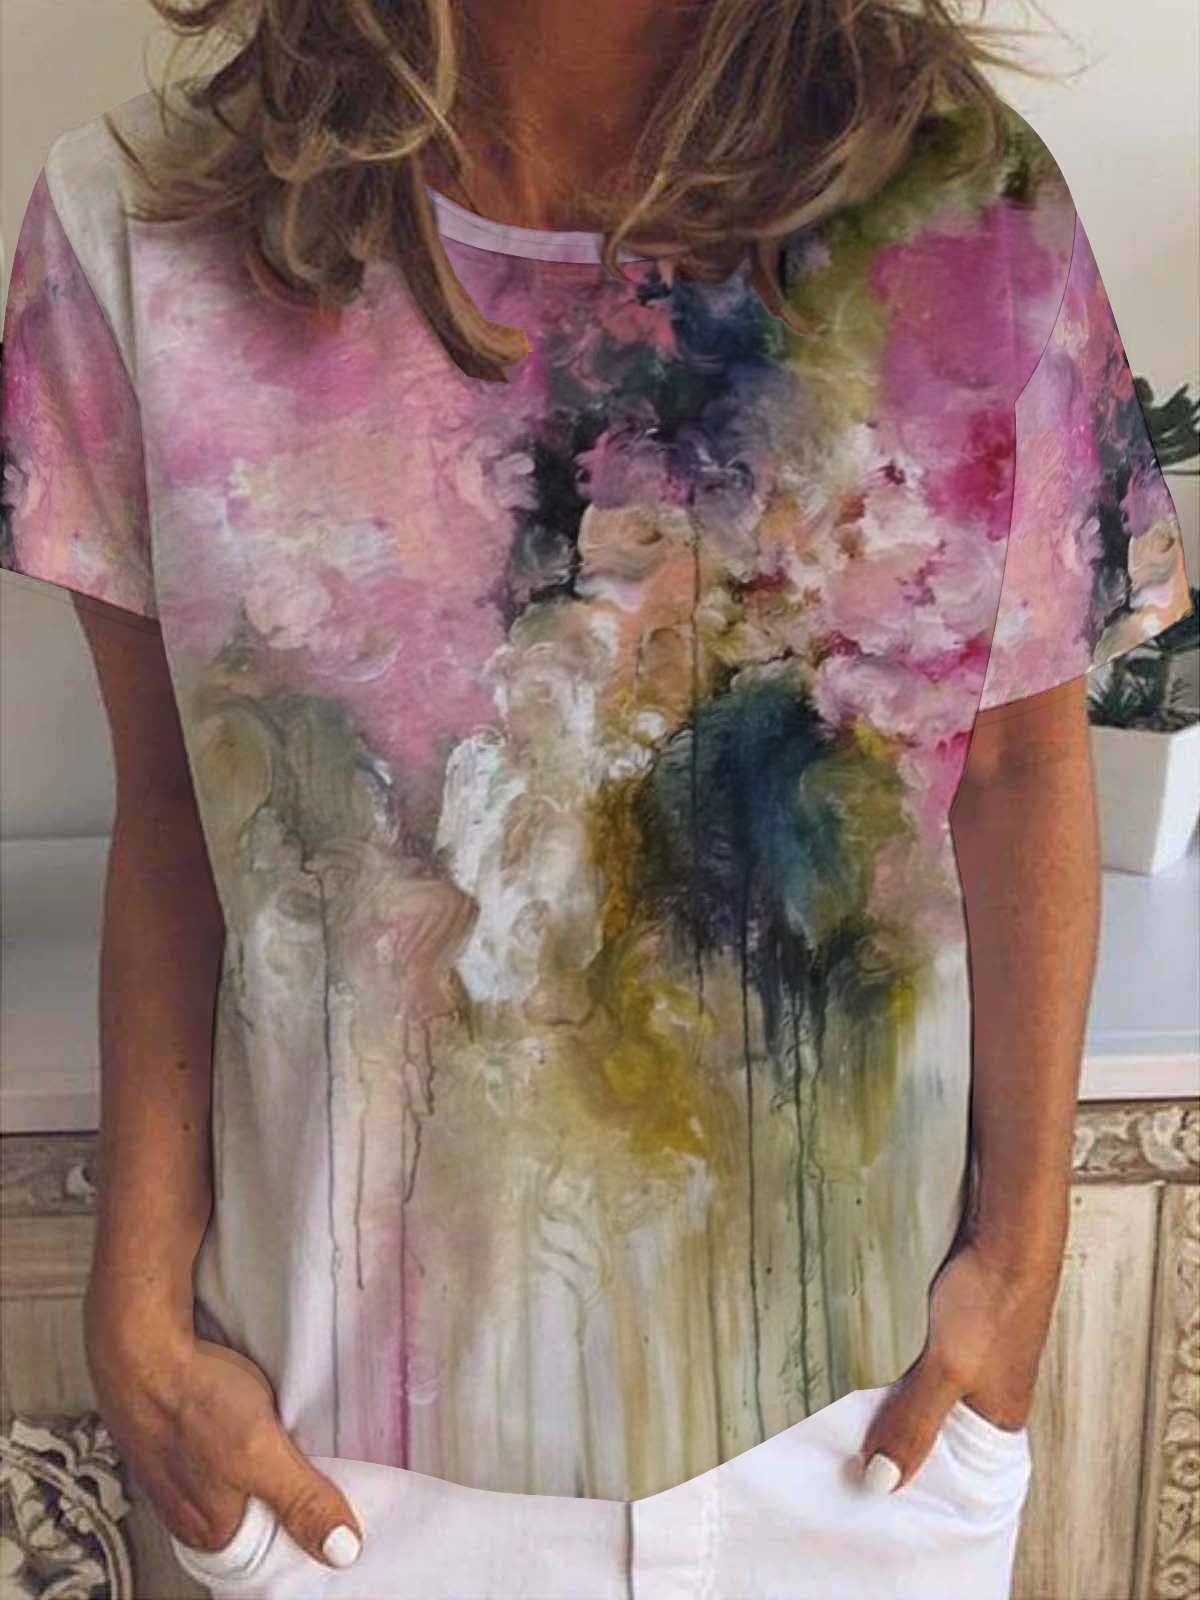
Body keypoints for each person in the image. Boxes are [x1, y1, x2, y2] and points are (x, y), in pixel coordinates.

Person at [2, 0, 1194, 1594]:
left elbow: (1021, 763)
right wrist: (140, 1315)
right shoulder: (138, 231)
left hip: (863, 1451)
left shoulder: (966, 208)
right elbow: (178, 807)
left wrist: (1022, 1263)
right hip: (335, 1476)